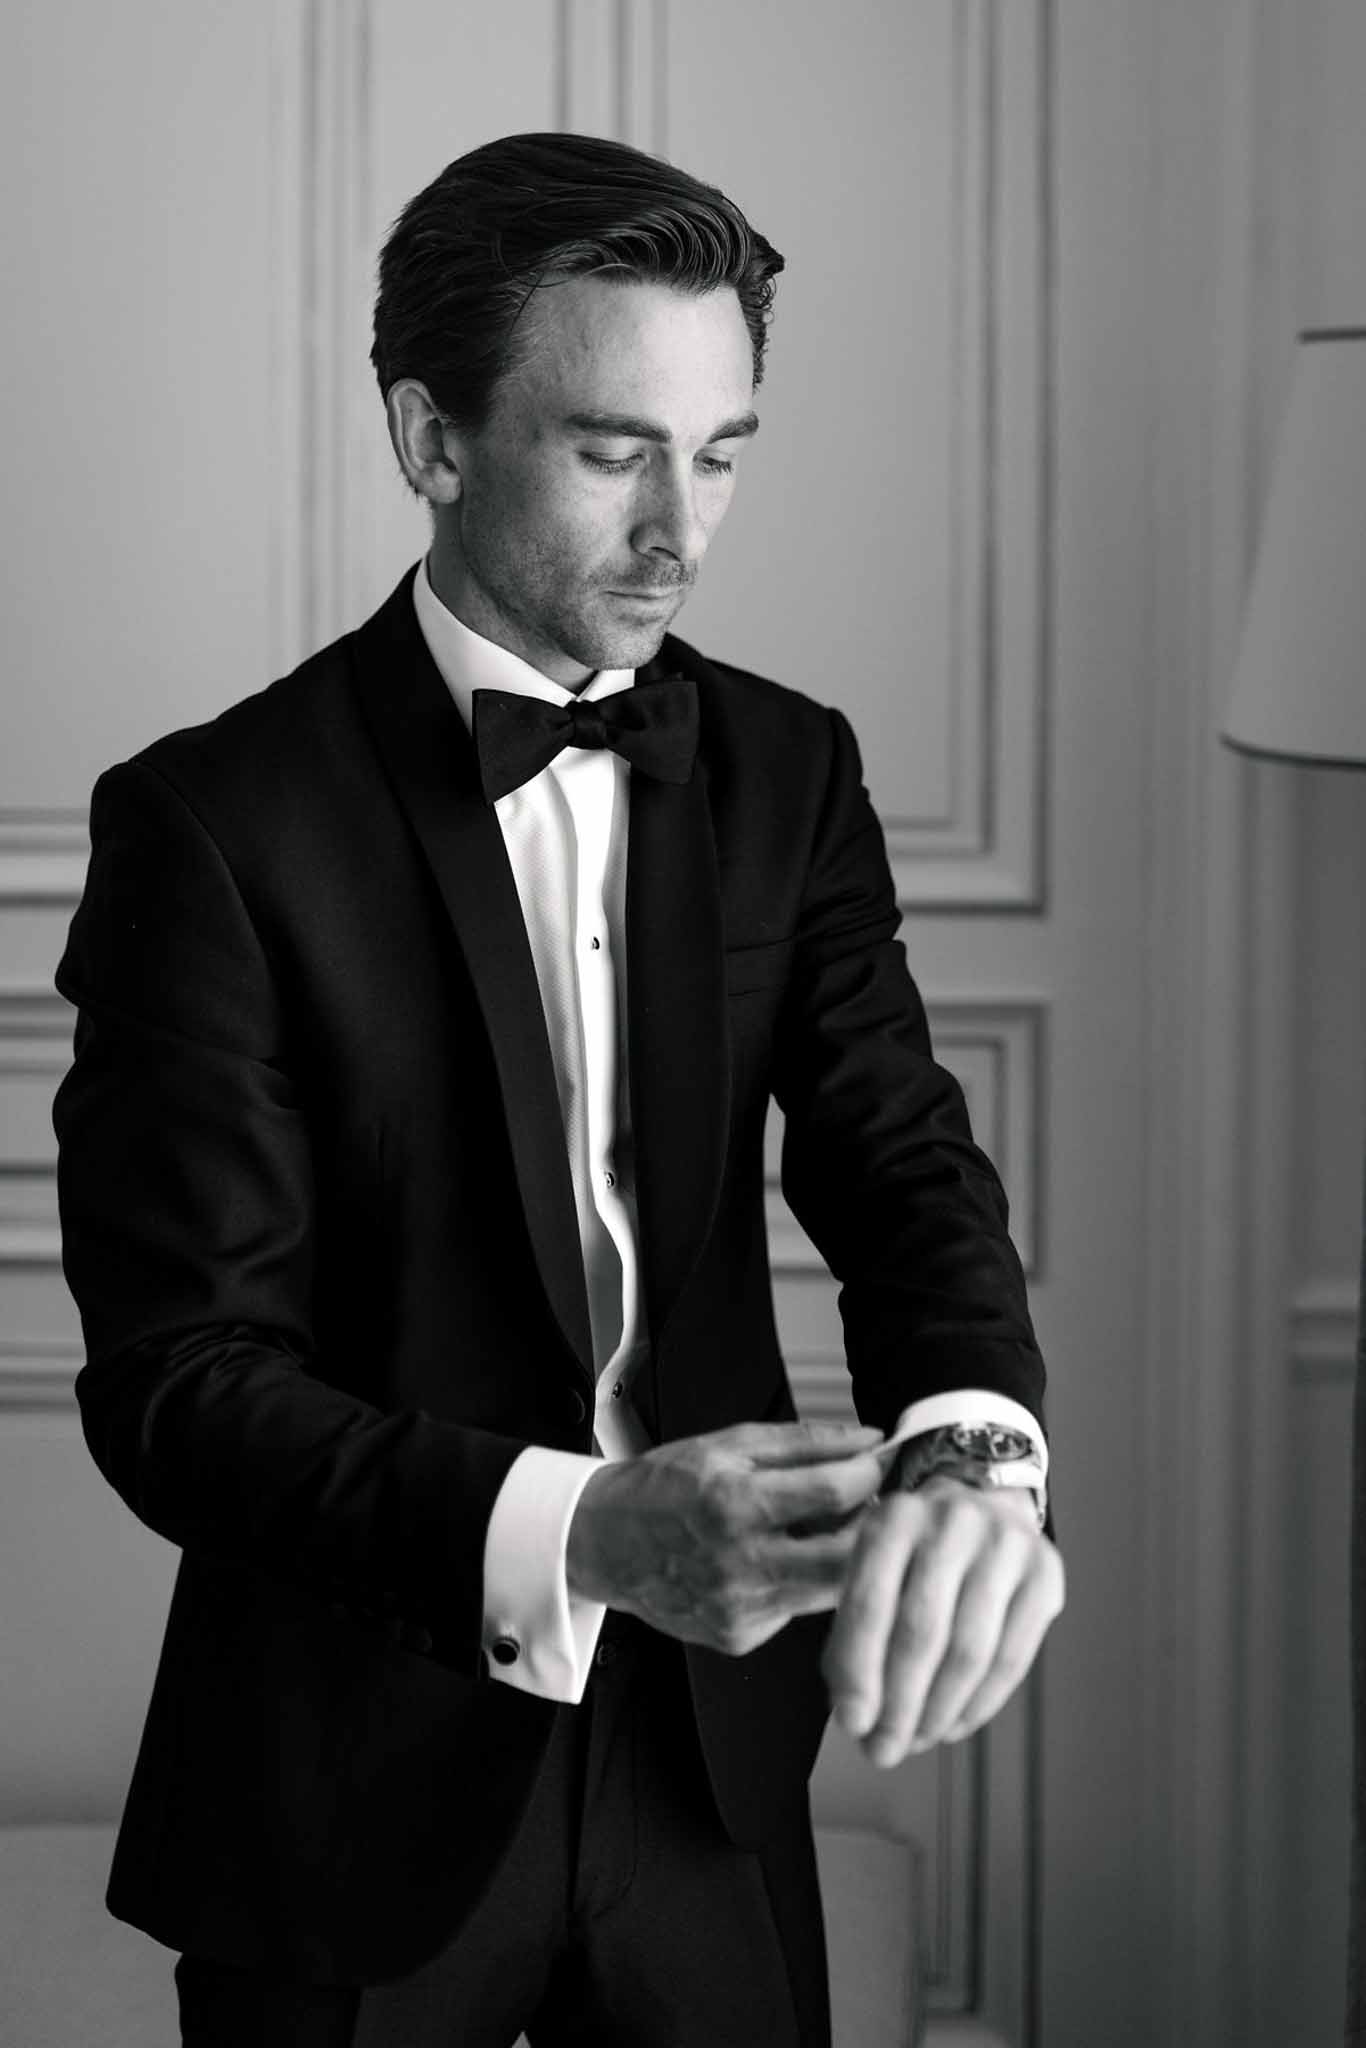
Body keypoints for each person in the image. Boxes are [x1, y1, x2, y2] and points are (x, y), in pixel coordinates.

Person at [52, 131, 1064, 2048]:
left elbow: (903, 1164)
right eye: (614, 453)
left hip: (712, 1770)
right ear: (430, 439)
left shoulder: (793, 773)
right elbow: (176, 1389)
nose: (683, 531)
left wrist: (973, 1457)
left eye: (725, 451)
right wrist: (590, 1534)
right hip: (344, 1781)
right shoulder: (208, 825)